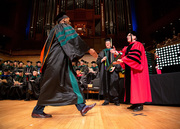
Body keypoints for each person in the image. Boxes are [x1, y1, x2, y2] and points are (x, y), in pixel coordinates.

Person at [31, 12, 98, 118]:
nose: (70, 22)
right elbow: (73, 40)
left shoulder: (54, 30)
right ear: (63, 20)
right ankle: (37, 110)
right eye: (68, 20)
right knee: (53, 84)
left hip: (56, 61)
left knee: (69, 83)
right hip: (57, 61)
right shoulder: (62, 26)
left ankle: (82, 107)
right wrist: (88, 49)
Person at [111, 31, 152, 111]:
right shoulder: (128, 47)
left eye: (129, 35)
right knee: (131, 86)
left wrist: (122, 60)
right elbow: (124, 54)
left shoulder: (138, 44)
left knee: (137, 86)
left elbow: (134, 56)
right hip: (130, 70)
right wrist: (116, 52)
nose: (127, 36)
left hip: (136, 70)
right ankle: (134, 103)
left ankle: (139, 104)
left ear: (134, 37)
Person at [97, 38, 123, 106]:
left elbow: (119, 61)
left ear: (111, 44)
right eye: (106, 43)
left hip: (113, 72)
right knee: (106, 85)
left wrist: (115, 67)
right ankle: (106, 100)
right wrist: (102, 59)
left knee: (114, 85)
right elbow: (98, 61)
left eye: (108, 43)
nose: (107, 44)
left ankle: (116, 100)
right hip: (105, 72)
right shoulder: (102, 52)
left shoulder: (114, 51)